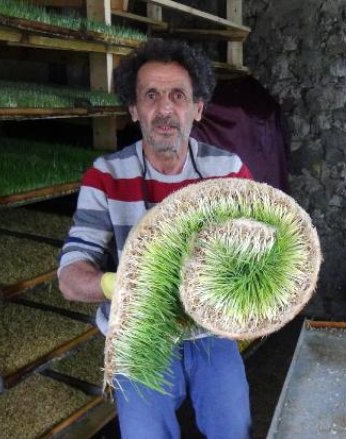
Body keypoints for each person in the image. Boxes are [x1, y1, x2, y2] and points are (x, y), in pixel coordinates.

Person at [57, 39, 252, 439]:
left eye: (178, 95)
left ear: (197, 108)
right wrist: (119, 285)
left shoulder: (228, 171)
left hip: (210, 328)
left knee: (233, 427)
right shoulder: (105, 175)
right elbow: (70, 276)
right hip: (138, 329)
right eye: (151, 95)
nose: (165, 109)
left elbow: (256, 250)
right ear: (134, 109)